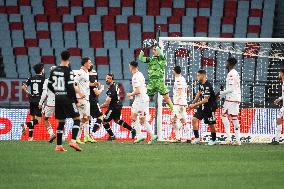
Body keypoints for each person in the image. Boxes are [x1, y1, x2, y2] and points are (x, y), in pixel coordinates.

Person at [48, 50, 82, 152]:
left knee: (61, 121)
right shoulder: (68, 71)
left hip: (57, 98)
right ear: (69, 58)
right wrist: (76, 101)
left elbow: (49, 84)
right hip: (67, 97)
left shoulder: (54, 70)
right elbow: (71, 87)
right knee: (77, 118)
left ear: (61, 57)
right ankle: (73, 141)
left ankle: (59, 146)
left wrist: (57, 92)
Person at [127, 61, 157, 144]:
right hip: (139, 100)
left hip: (141, 100)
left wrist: (130, 94)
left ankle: (152, 136)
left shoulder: (135, 77)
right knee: (133, 117)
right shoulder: (140, 74)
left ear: (131, 67)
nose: (129, 68)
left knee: (142, 120)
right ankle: (140, 135)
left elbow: (138, 91)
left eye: (129, 67)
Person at [138, 39, 174, 111]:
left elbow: (160, 54)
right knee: (146, 98)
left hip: (159, 81)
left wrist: (156, 46)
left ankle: (174, 111)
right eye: (153, 50)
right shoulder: (150, 59)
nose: (153, 51)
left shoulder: (162, 59)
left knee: (166, 98)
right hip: (151, 82)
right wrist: (143, 49)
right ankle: (142, 112)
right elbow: (141, 58)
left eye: (154, 50)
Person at [100, 73, 136, 141]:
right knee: (117, 120)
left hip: (113, 107)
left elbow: (107, 103)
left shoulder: (111, 89)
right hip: (118, 105)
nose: (107, 80)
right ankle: (132, 130)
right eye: (106, 78)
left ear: (112, 79)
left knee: (103, 121)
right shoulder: (115, 85)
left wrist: (99, 106)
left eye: (109, 79)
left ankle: (112, 136)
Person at [188, 69, 218, 145]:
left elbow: (206, 100)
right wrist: (192, 103)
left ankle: (214, 140)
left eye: (198, 75)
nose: (197, 77)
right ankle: (197, 138)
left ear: (203, 75)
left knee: (211, 124)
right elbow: (199, 94)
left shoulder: (208, 86)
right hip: (202, 107)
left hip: (209, 108)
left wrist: (194, 105)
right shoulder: (201, 84)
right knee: (194, 119)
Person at [219, 57, 242, 145]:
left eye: (226, 62)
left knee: (224, 115)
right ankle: (238, 140)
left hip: (231, 98)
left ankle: (229, 139)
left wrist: (222, 94)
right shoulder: (235, 73)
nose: (226, 64)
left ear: (229, 63)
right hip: (236, 98)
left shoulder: (231, 74)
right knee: (234, 117)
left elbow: (231, 89)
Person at [74, 57, 96, 144]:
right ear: (85, 63)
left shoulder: (86, 72)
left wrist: (93, 84)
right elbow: (74, 83)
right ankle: (77, 137)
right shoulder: (80, 72)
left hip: (86, 98)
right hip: (81, 98)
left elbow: (85, 84)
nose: (91, 64)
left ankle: (86, 136)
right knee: (82, 118)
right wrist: (79, 94)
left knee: (87, 117)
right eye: (89, 62)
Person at [21, 63, 45, 141]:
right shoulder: (44, 79)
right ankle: (25, 124)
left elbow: (23, 87)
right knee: (37, 121)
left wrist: (28, 93)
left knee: (32, 118)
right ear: (41, 70)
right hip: (39, 101)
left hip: (32, 100)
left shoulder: (31, 78)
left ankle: (30, 137)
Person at [171, 66, 191, 142]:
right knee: (182, 120)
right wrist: (185, 99)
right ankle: (188, 137)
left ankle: (178, 137)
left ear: (174, 71)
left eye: (173, 70)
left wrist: (178, 101)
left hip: (178, 103)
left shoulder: (178, 80)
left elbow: (179, 90)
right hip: (183, 103)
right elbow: (187, 90)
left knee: (173, 120)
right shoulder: (183, 79)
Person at [39, 66, 57, 143]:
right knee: (61, 120)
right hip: (60, 103)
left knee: (45, 119)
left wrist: (40, 103)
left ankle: (51, 133)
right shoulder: (61, 81)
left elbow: (44, 94)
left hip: (50, 103)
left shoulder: (47, 81)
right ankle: (62, 136)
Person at [270, 68, 284, 145]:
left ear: (282, 73)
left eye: (279, 73)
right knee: (278, 120)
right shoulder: (283, 83)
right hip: (283, 107)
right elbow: (283, 95)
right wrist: (279, 99)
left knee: (279, 120)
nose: (278, 74)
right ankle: (277, 140)